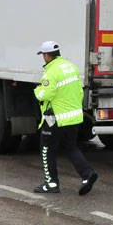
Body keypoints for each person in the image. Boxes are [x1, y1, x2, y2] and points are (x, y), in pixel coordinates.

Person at [32, 41, 98, 196]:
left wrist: (37, 90)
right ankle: (87, 174)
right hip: (73, 117)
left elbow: (45, 94)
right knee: (71, 147)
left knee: (47, 149)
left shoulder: (51, 72)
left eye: (43, 55)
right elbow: (79, 92)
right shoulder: (71, 67)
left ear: (47, 55)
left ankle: (51, 183)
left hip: (56, 118)